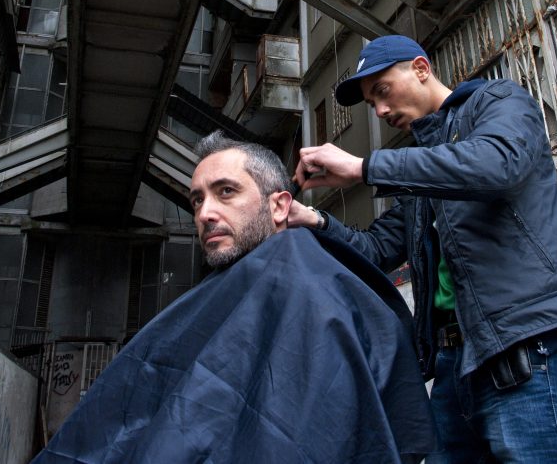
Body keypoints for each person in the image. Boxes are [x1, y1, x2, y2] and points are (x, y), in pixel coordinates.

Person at [33, 130, 435, 464]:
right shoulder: (225, 291)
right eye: (197, 200)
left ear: (280, 206)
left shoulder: (307, 287)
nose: (205, 213)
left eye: (225, 192)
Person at [291, 35, 557, 463]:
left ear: (421, 69)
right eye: (371, 103)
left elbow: (498, 165)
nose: (380, 111)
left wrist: (365, 168)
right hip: (452, 362)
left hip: (519, 346)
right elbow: (377, 248)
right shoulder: (421, 165)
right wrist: (315, 220)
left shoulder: (497, 100)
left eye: (382, 90)